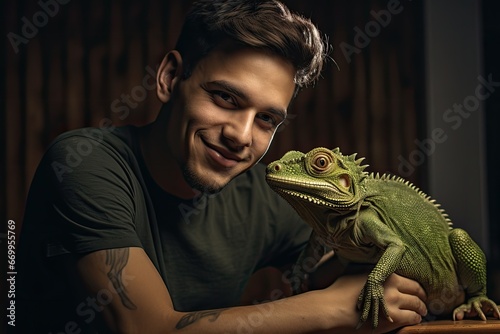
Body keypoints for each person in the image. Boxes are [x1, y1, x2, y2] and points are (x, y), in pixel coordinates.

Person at [14, 1, 427, 333]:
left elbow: (327, 273)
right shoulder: (85, 162)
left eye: (266, 119)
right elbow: (146, 327)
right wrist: (333, 308)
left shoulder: (264, 196)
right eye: (226, 98)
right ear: (170, 77)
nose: (242, 136)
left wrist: (370, 277)